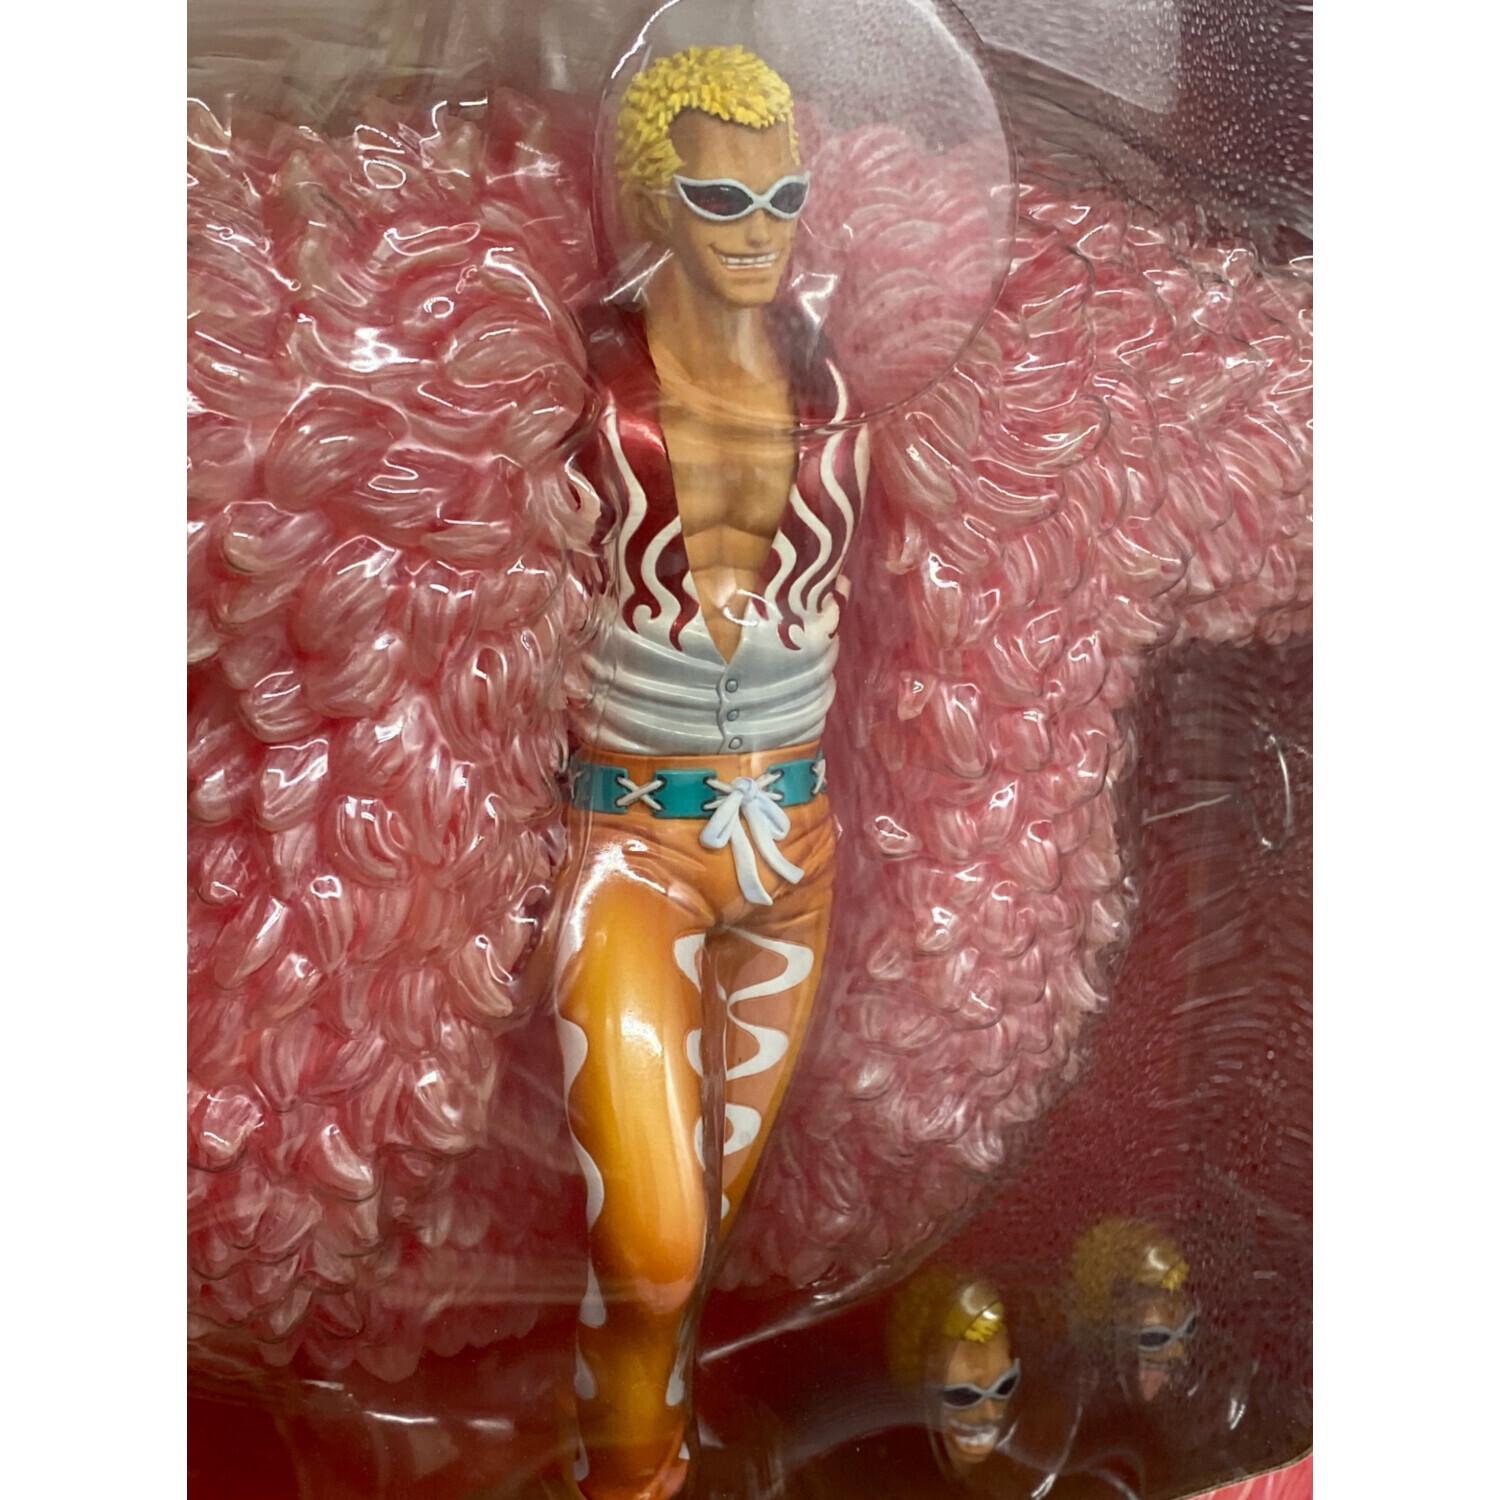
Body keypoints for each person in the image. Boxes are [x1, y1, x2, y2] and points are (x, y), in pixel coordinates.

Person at [547, 45, 866, 1500]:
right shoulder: (582, 377)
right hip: (629, 845)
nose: (758, 229)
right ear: (653, 203)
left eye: (782, 197)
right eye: (720, 197)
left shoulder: (840, 384)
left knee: (685, 1263)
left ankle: (633, 1461)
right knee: (656, 1250)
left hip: (792, 853)